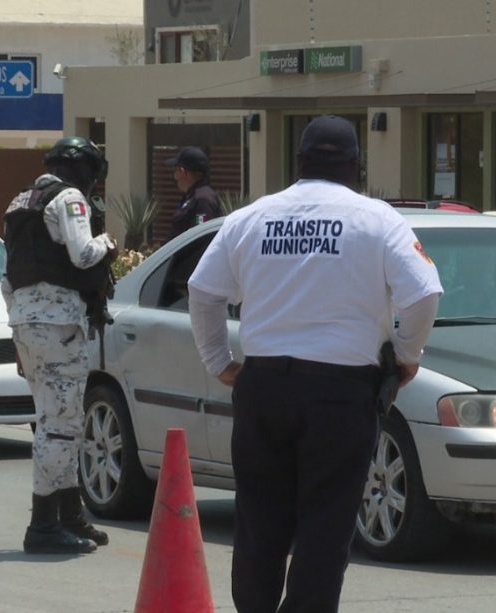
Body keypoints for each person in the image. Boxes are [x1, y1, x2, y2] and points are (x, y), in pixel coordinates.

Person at [188, 115, 443, 612]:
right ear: (355, 166)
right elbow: (424, 293)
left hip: (263, 387)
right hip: (340, 394)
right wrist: (407, 356)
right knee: (325, 527)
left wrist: (220, 362)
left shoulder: (253, 217)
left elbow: (202, 290)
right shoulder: (377, 219)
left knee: (260, 521)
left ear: (299, 162)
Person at [2, 136, 117, 554]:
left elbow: (7, 279)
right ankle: (44, 527)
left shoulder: (21, 202)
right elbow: (84, 255)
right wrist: (109, 243)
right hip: (59, 325)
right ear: (83, 168)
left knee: (58, 419)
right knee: (60, 426)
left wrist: (20, 334)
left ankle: (70, 515)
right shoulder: (69, 199)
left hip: (27, 322)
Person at [164, 146, 223, 243]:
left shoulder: (202, 199)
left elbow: (201, 237)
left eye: (176, 171)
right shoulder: (192, 197)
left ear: (183, 172)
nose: (174, 176)